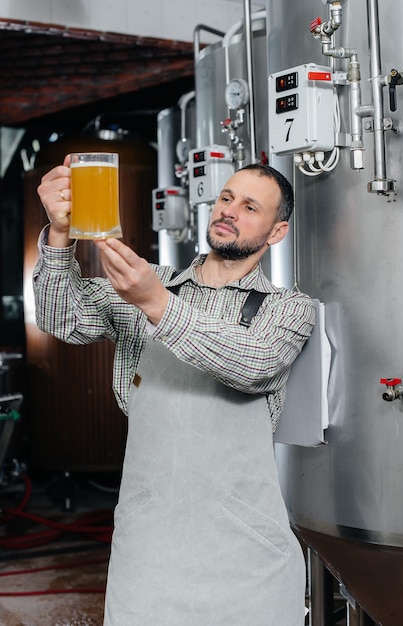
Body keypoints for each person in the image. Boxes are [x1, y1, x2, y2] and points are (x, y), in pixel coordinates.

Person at [34, 158, 315, 626]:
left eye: (250, 207)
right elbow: (61, 317)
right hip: (149, 557)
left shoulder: (288, 309)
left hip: (247, 560)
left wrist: (157, 306)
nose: (229, 211)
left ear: (277, 232)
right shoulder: (150, 284)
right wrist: (59, 234)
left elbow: (254, 363)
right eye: (226, 198)